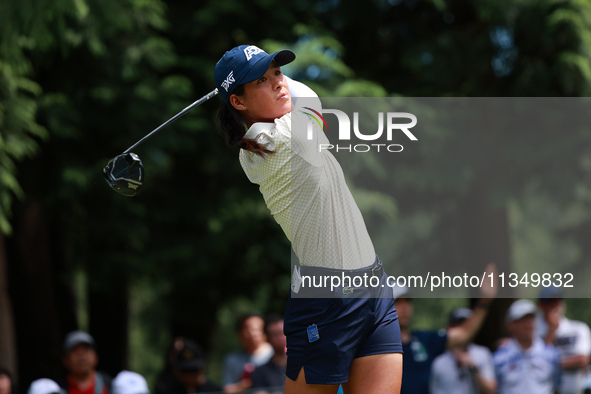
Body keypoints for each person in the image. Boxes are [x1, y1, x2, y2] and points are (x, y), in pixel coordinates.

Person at [215, 44, 403, 393]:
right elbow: (310, 94)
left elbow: (291, 93)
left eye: (277, 73)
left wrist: (244, 81)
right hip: (326, 299)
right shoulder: (279, 138)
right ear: (238, 102)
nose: (279, 83)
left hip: (374, 285)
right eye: (262, 80)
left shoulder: (271, 133)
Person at [395, 281, 496, 394]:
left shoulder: (424, 340)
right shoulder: (374, 345)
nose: (405, 307)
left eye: (408, 301)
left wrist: (484, 301)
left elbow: (464, 333)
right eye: (397, 301)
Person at [493, 299, 561, 394]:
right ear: (511, 325)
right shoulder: (499, 358)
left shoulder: (551, 354)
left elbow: (557, 388)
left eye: (531, 319)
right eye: (523, 320)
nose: (528, 324)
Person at [536, 286, 591, 394]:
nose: (556, 305)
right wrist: (551, 331)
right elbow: (536, 361)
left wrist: (552, 364)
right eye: (550, 301)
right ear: (541, 305)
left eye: (559, 300)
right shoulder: (534, 332)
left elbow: (583, 360)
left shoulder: (578, 328)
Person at [429, 308, 497, 394]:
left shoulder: (482, 354)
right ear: (448, 327)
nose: (462, 330)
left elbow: (490, 390)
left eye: (466, 325)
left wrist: (473, 369)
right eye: (458, 325)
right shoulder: (439, 361)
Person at [221, 314, 273, 393]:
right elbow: (227, 390)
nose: (253, 333)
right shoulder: (232, 359)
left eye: (258, 329)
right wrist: (247, 384)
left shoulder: (277, 356)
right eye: (248, 329)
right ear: (239, 334)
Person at [155, 338, 221, 394]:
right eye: (184, 371)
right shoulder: (166, 390)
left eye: (193, 370)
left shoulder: (215, 391)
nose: (189, 376)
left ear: (202, 368)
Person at [250, 315, 287, 394]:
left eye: (283, 332)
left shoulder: (302, 367)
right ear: (267, 338)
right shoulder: (258, 372)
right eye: (274, 334)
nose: (280, 337)